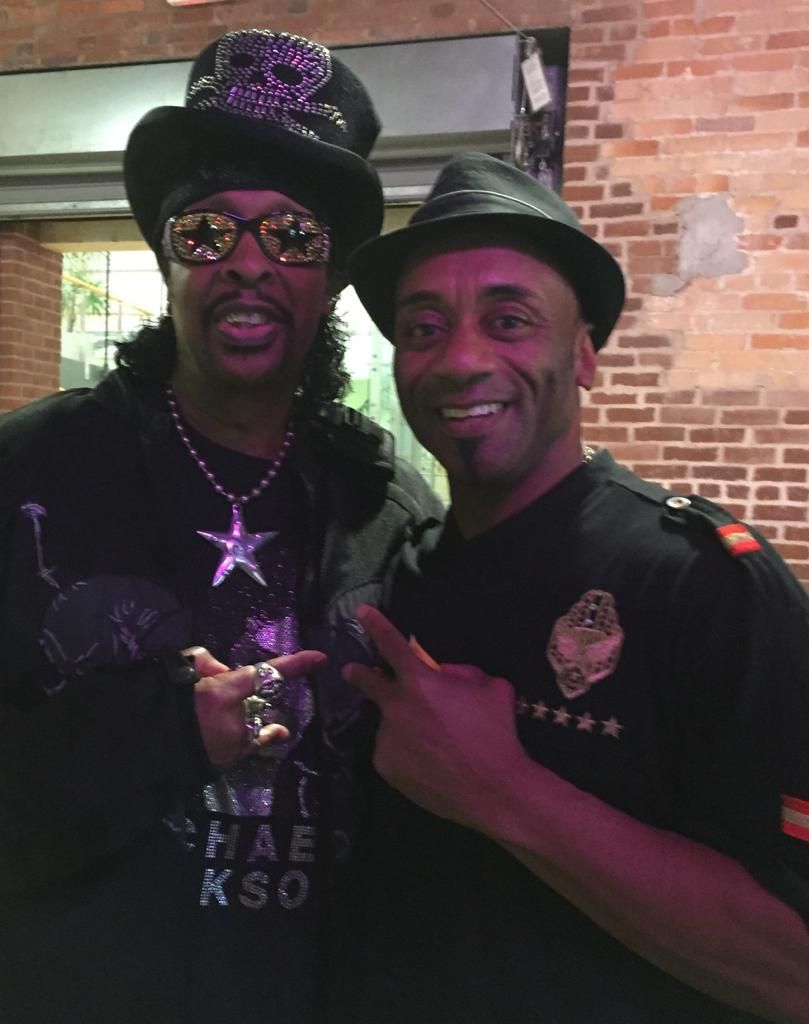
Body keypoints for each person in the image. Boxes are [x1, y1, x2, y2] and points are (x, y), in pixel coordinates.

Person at [0, 29, 441, 1024]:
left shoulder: (388, 508)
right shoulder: (28, 473)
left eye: (292, 235)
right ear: (167, 260)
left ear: (331, 278)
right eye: (206, 233)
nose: (247, 263)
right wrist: (162, 735)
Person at [342, 152, 809, 1023]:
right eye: (423, 327)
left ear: (584, 351)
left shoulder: (703, 585)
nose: (460, 359)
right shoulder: (402, 572)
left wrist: (501, 788)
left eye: (509, 320)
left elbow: (793, 968)